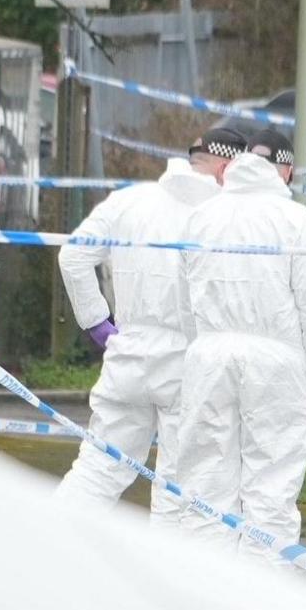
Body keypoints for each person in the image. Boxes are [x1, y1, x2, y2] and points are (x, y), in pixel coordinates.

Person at [169, 126, 306, 562]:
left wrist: (199, 350)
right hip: (276, 363)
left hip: (209, 357)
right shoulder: (295, 220)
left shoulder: (201, 216)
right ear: (284, 170)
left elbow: (183, 300)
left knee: (204, 493)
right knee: (271, 497)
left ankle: (201, 607)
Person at [53, 128, 224, 517]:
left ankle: (50, 549)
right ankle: (162, 574)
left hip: (128, 352)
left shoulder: (129, 201)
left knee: (98, 468)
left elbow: (72, 256)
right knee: (177, 483)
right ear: (224, 166)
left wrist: (98, 323)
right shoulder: (221, 216)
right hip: (188, 361)